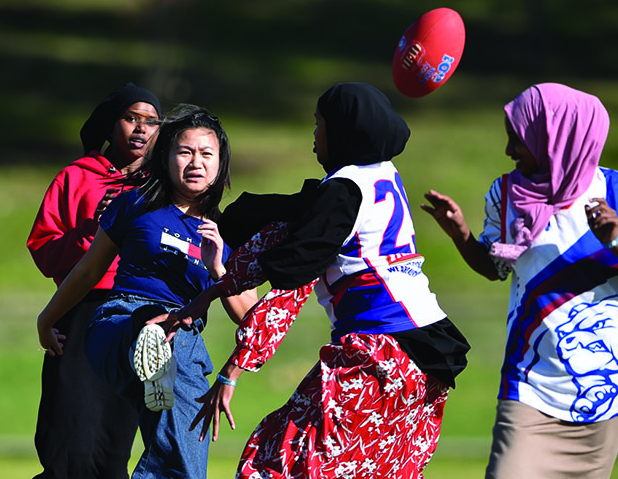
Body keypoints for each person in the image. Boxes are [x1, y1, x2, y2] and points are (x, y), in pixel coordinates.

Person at [165, 82, 471, 479]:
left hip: (380, 354)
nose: (314, 135)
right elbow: (293, 213)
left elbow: (292, 279)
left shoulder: (342, 193)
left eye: (319, 124)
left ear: (343, 129)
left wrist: (232, 370)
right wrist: (217, 282)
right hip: (426, 360)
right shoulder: (380, 175)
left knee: (276, 460)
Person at [421, 83, 618, 478]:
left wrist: (614, 241)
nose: (509, 150)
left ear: (554, 137)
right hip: (530, 384)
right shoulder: (505, 194)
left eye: (517, 138)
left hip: (605, 388)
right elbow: (494, 269)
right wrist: (461, 233)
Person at [35, 106, 258, 479]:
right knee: (162, 332)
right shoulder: (136, 204)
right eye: (184, 152)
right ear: (166, 157)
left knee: (183, 460)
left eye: (206, 154)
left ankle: (160, 358)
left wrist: (219, 268)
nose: (195, 162)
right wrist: (47, 318)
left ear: (221, 164)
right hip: (120, 321)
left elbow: (251, 316)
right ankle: (152, 342)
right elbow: (88, 269)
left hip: (181, 337)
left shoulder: (227, 233)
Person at [27, 82, 162, 479]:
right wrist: (93, 229)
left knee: (112, 444)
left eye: (151, 121)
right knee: (69, 439)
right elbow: (44, 249)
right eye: (131, 119)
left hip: (136, 320)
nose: (140, 129)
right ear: (110, 124)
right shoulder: (76, 177)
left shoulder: (164, 185)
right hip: (81, 314)